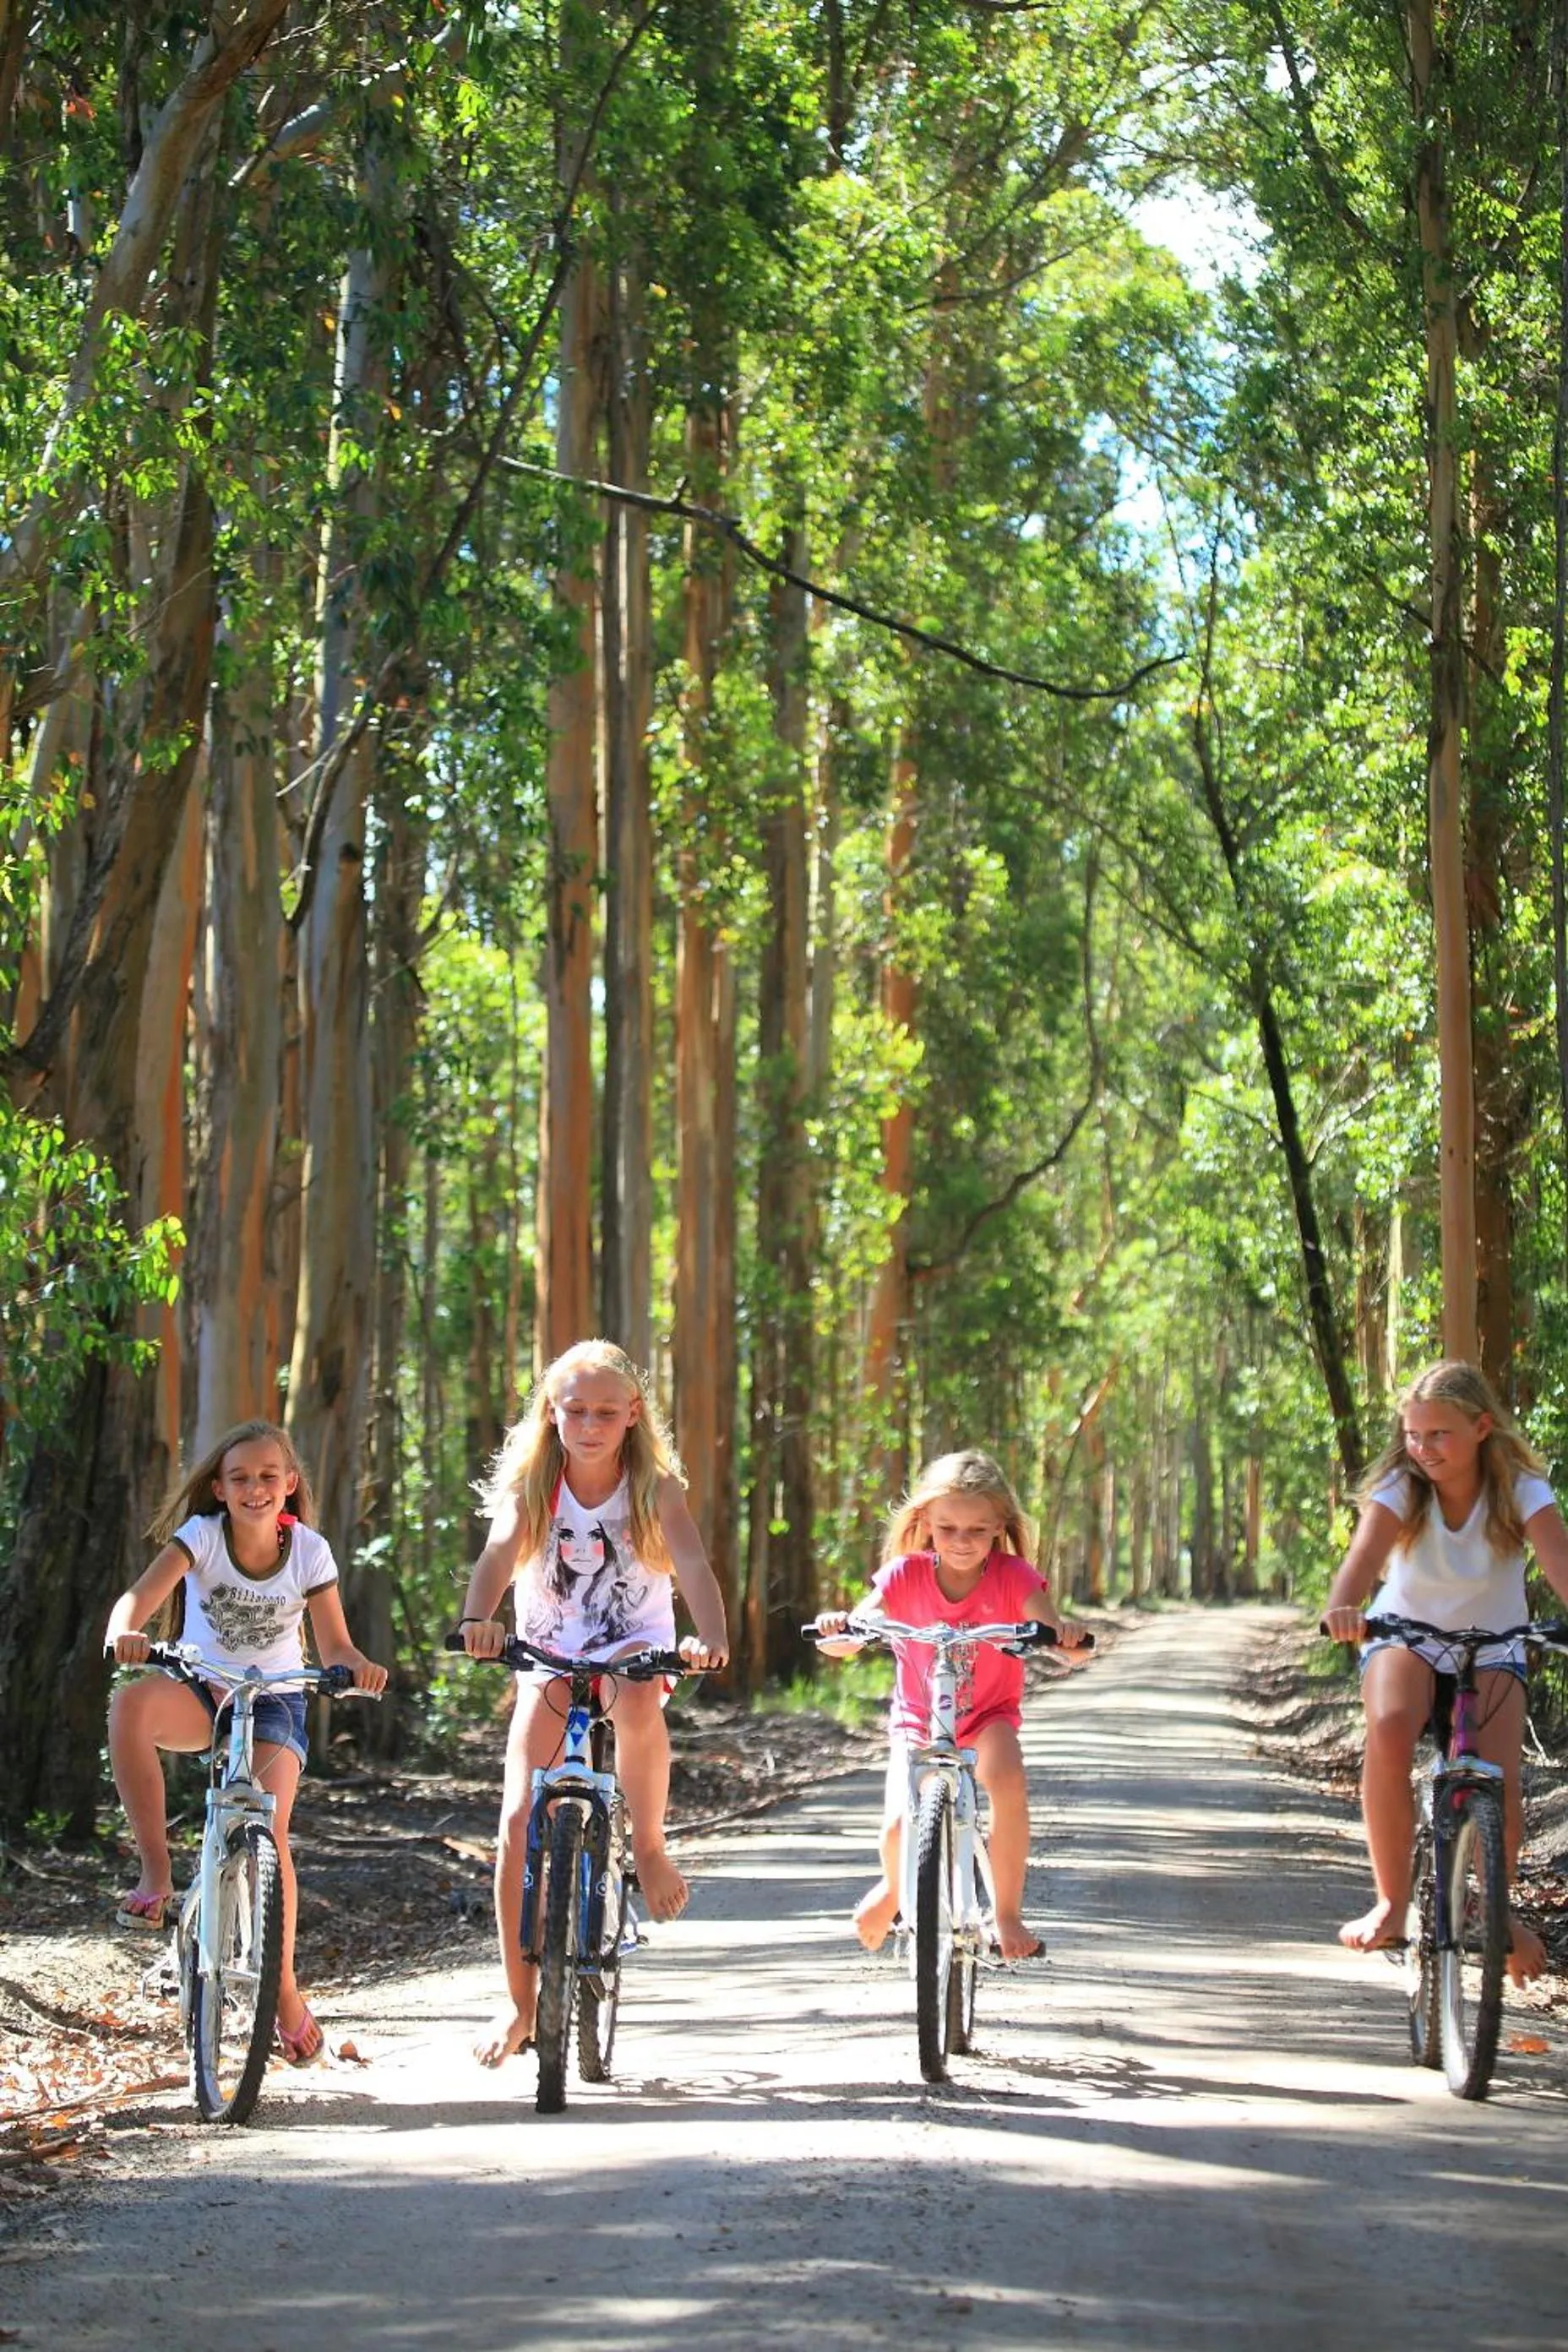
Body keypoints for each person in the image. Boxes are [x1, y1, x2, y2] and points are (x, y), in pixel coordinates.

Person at [456, 1339, 729, 2067]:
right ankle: (520, 2005)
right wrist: (478, 1620)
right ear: (552, 1411)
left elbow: (694, 1564)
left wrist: (711, 1636)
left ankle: (648, 1847)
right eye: (575, 1410)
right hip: (549, 1655)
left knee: (639, 1702)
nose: (589, 1424)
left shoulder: (654, 1487)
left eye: (607, 1411)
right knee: (517, 1820)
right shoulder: (532, 1488)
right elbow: (497, 1554)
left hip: (631, 1648)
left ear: (633, 1414)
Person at [104, 1419, 388, 2065]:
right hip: (205, 1690)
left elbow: (335, 1643)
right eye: (240, 1478)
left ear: (289, 1485)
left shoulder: (310, 1551)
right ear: (219, 1488)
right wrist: (125, 1631)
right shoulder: (201, 1538)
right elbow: (138, 1599)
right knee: (128, 1709)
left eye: (268, 1477)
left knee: (271, 1828)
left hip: (277, 1698)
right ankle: (156, 1874)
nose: (255, 1488)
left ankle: (283, 1990)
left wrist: (356, 1667)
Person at [1322, 1358, 1568, 1982]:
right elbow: (1359, 1566)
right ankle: (1391, 1903)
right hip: (1407, 1634)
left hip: (1496, 1644)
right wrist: (1343, 1610)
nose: (1423, 1449)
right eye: (1413, 1434)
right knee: (1391, 1726)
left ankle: (1496, 1913)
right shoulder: (1401, 1489)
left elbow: (1560, 1566)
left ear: (1482, 1426)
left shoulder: (1520, 1487)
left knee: (1503, 1783)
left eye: (1439, 1434)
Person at [815, 1447, 1089, 1963]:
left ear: (999, 1527)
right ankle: (896, 1890)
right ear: (925, 1524)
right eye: (948, 1530)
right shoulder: (903, 1576)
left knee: (1008, 1779)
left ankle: (1005, 1913)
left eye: (977, 1531)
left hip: (987, 1717)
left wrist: (1065, 1639)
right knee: (899, 1827)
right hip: (920, 1721)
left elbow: (1055, 1637)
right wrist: (839, 1630)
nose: (962, 1542)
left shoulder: (1014, 1578)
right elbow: (853, 1633)